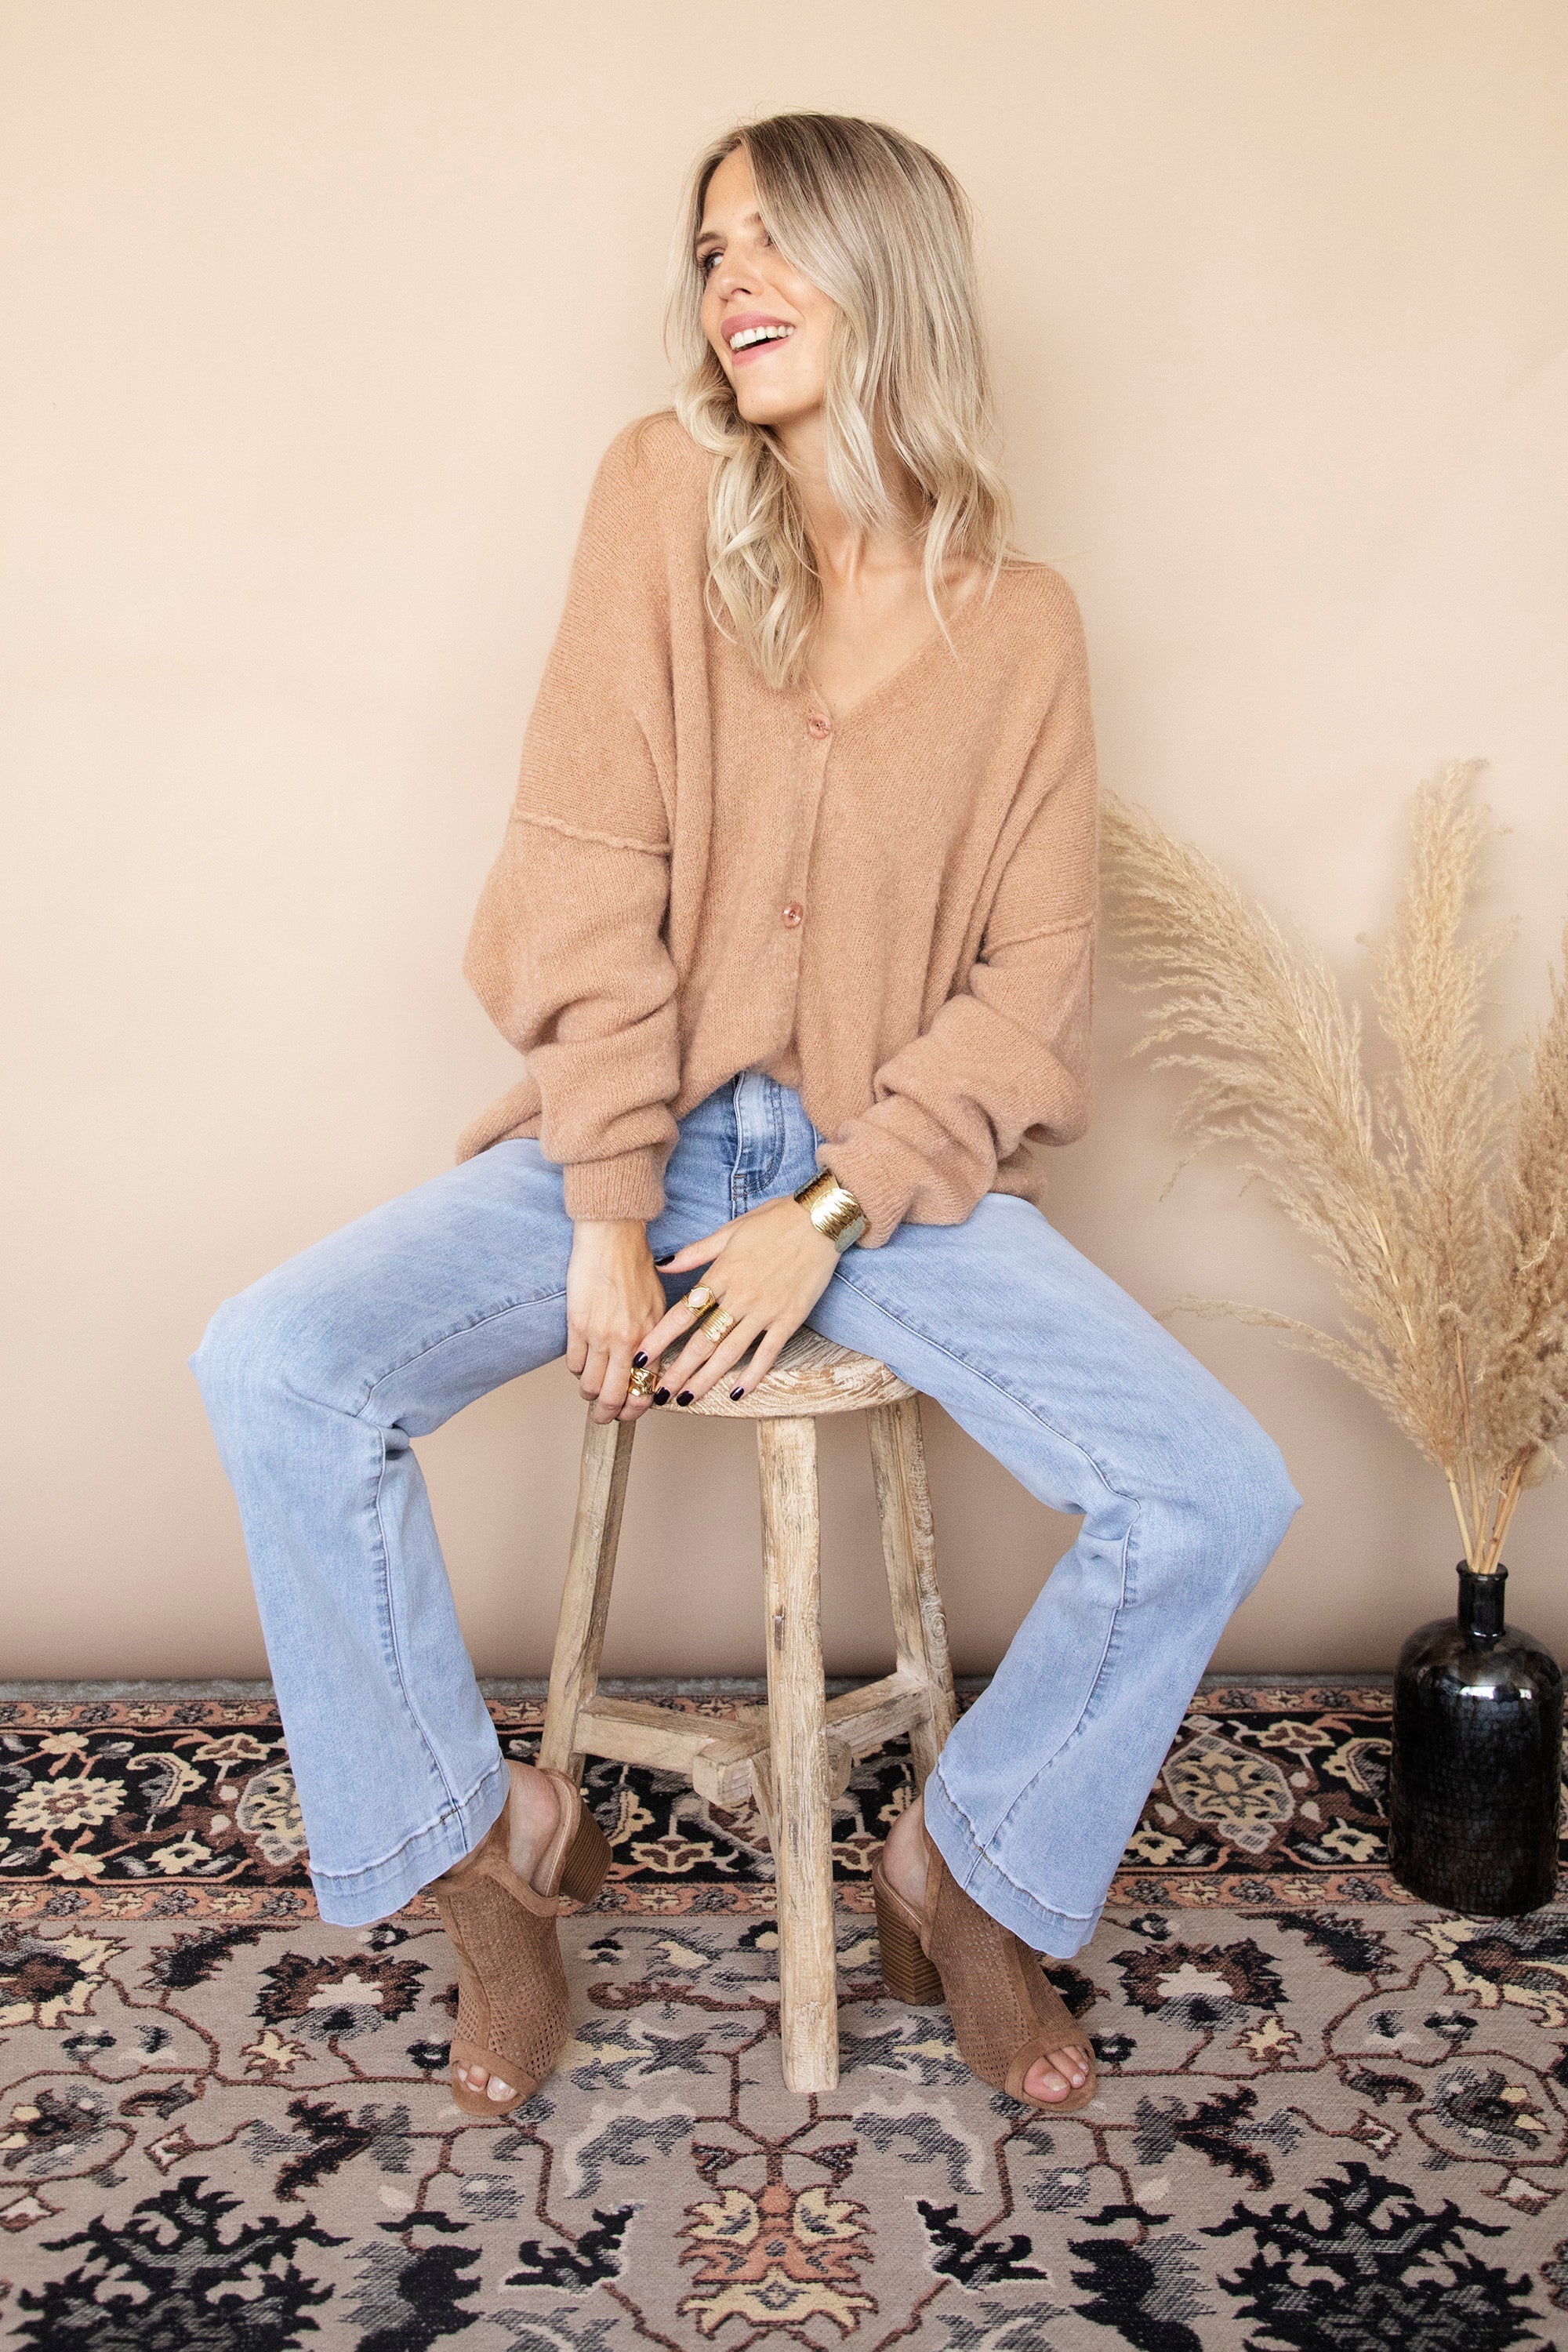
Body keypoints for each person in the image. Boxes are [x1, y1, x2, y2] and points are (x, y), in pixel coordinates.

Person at [192, 111, 1301, 2123]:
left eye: (781, 241)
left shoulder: (1021, 625)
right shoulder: (661, 496)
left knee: (1212, 1490)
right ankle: (488, 1861)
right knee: (275, 1364)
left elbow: (1030, 996)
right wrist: (609, 1207)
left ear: (895, 274)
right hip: (639, 1133)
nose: (734, 283)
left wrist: (836, 1213)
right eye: (713, 250)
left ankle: (966, 1868)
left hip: (891, 1182)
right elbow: (580, 867)